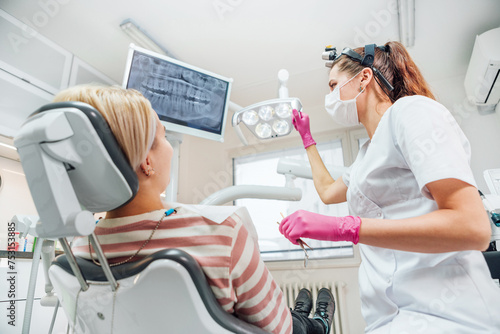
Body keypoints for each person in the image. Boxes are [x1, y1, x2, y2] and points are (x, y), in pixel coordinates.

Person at [53, 85, 335, 334]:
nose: (171, 149)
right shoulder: (223, 230)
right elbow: (279, 329)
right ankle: (318, 323)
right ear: (147, 162)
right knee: (296, 323)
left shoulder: (80, 249)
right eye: (165, 136)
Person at [279, 41, 500, 333]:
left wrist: (346, 228)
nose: (330, 97)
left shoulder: (412, 112)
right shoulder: (365, 154)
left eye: (334, 86)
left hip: (446, 315)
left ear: (364, 78)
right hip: (387, 317)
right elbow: (327, 192)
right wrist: (307, 138)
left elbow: (472, 227)